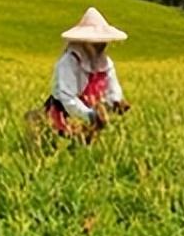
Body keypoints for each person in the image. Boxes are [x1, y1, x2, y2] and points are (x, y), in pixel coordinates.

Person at [43, 7, 131, 138]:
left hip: (93, 116)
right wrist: (89, 115)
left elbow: (112, 88)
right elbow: (67, 97)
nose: (100, 46)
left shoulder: (105, 63)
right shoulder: (69, 62)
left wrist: (116, 102)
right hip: (65, 114)